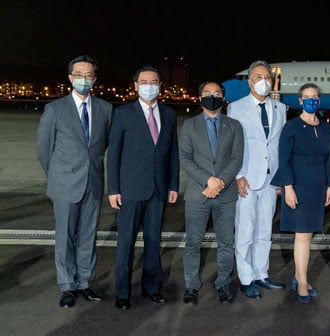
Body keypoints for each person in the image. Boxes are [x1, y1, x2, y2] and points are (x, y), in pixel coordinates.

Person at [37, 55, 112, 308]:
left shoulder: (105, 109)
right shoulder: (55, 109)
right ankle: (67, 285)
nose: (83, 79)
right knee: (65, 237)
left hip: (92, 183)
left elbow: (104, 146)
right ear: (70, 78)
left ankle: (85, 282)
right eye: (78, 75)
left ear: (95, 79)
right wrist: (59, 177)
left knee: (88, 236)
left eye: (88, 75)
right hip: (65, 184)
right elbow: (44, 150)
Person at [107, 64, 180, 310]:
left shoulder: (169, 114)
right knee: (125, 242)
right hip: (130, 189)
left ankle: (152, 288)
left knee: (153, 240)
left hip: (158, 190)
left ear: (160, 85)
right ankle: (123, 292)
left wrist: (173, 184)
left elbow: (173, 154)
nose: (150, 86)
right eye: (144, 82)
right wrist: (113, 188)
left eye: (154, 82)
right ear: (136, 85)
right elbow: (114, 154)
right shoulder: (123, 113)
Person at [179, 81, 244, 305]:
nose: (212, 96)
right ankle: (191, 286)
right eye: (207, 93)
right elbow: (185, 158)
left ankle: (223, 283)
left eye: (217, 93)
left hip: (225, 195)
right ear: (200, 97)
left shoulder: (234, 125)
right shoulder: (189, 126)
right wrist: (208, 180)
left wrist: (220, 183)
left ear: (223, 98)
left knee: (226, 242)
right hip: (198, 193)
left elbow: (237, 157)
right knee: (193, 243)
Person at [227, 60, 287, 298]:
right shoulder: (236, 108)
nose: (263, 81)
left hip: (271, 179)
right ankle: (245, 277)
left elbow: (279, 145)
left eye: (267, 77)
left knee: (264, 230)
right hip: (247, 179)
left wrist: (282, 176)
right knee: (245, 230)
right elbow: (234, 145)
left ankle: (261, 273)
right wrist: (238, 176)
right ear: (250, 81)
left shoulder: (280, 108)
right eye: (258, 76)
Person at [271, 83, 330, 303]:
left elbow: (329, 159)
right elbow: (284, 158)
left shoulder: (326, 127)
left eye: (315, 97)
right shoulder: (292, 127)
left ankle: (299, 276)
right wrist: (288, 186)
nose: (311, 100)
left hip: (317, 185)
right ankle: (303, 282)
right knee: (303, 234)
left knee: (309, 233)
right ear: (299, 101)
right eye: (306, 97)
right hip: (298, 185)